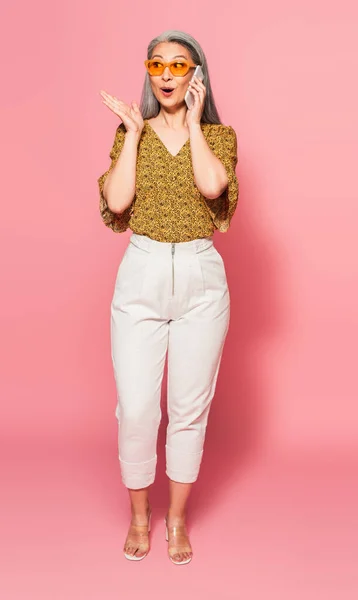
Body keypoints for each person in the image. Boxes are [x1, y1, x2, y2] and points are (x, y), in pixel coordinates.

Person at [97, 29, 239, 565]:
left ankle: (176, 519)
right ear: (149, 72)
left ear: (195, 75)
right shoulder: (130, 130)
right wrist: (133, 134)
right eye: (158, 64)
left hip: (202, 277)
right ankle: (139, 516)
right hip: (143, 272)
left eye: (180, 66)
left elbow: (212, 189)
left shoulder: (220, 136)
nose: (166, 74)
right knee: (135, 408)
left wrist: (197, 126)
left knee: (187, 408)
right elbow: (116, 200)